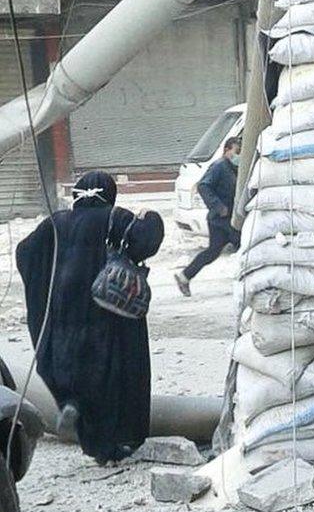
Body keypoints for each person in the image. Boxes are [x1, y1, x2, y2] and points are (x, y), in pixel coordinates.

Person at [16, 172, 164, 465]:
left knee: (77, 372)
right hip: (108, 309)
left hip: (64, 313)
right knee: (114, 375)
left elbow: (24, 253)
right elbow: (146, 241)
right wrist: (152, 217)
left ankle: (74, 407)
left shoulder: (54, 223)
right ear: (108, 194)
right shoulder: (116, 217)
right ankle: (114, 446)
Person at [175, 137, 242, 296]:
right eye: (237, 152)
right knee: (243, 246)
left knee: (213, 251)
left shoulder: (233, 168)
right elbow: (203, 186)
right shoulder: (219, 167)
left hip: (228, 218)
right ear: (227, 151)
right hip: (221, 219)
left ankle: (184, 276)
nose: (239, 155)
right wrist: (218, 206)